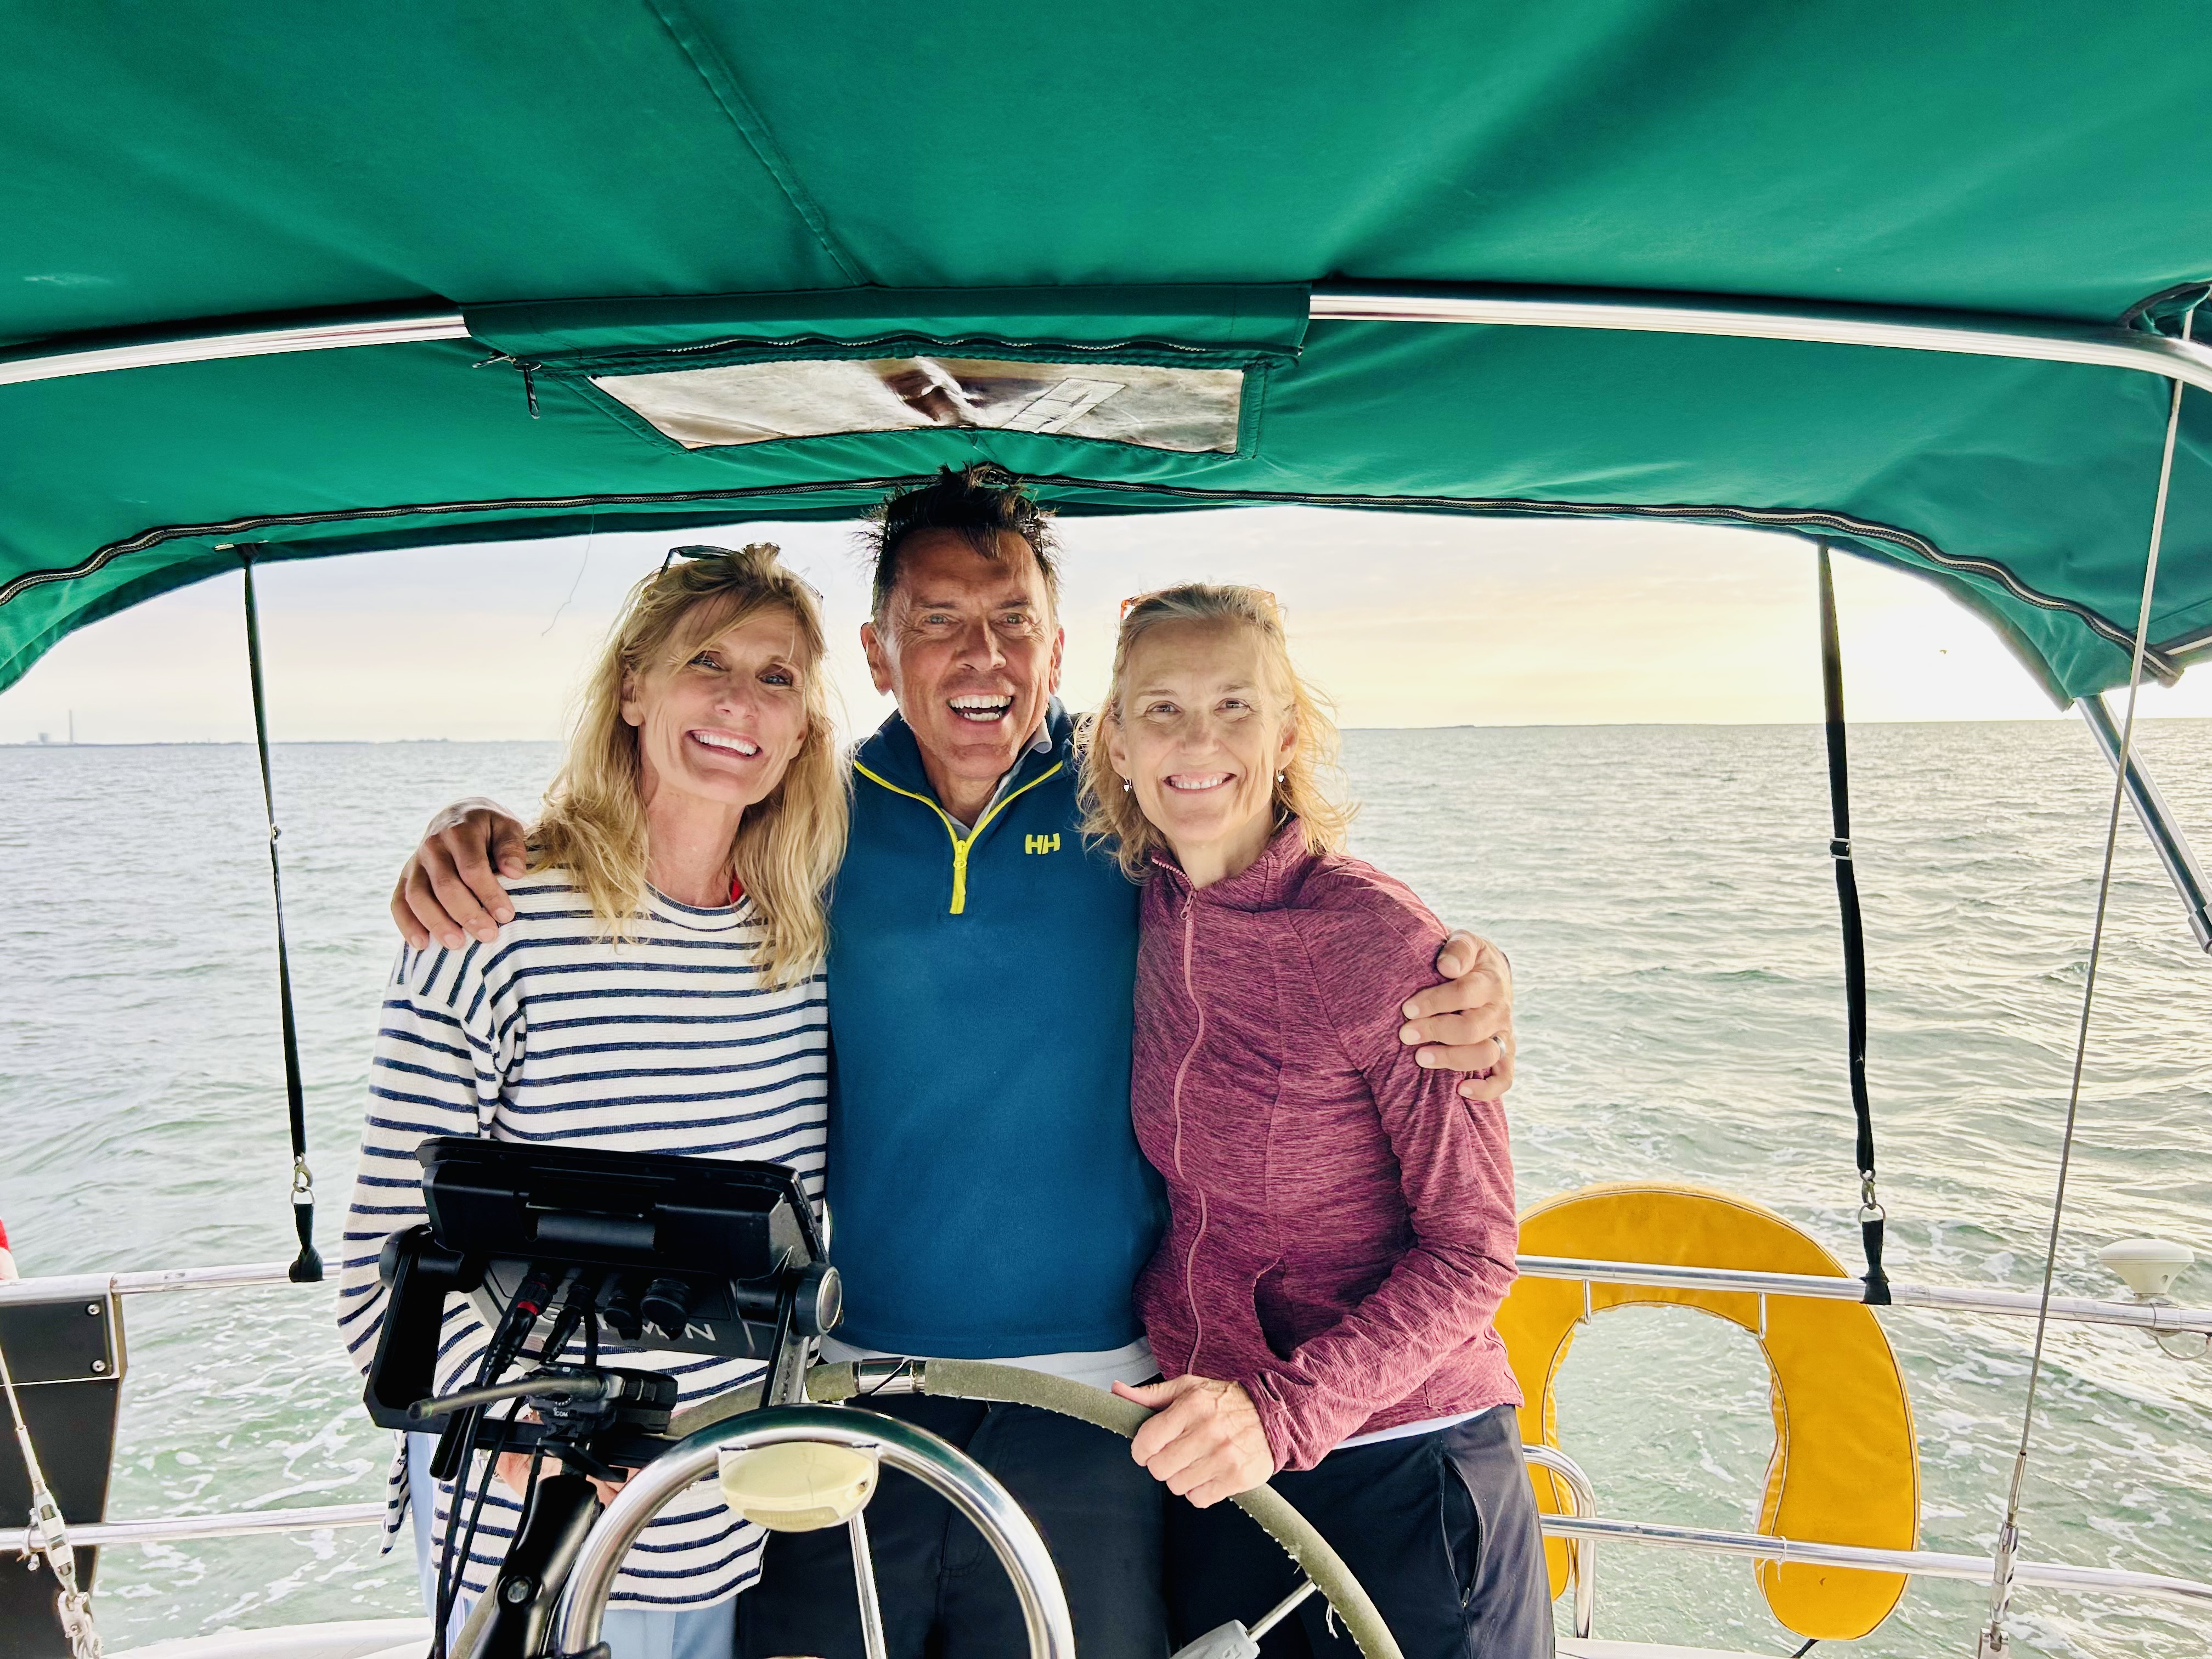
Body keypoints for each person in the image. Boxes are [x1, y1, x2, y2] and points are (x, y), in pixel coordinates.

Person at [387, 467, 1519, 1659]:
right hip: (846, 1383)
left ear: (1058, 646)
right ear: (878, 653)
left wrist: (1465, 977)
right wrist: (483, 833)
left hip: (1099, 1397)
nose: (980, 657)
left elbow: (1286, 894)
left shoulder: (1129, 801)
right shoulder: (813, 811)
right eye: (936, 622)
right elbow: (669, 835)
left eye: (1012, 623)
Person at [337, 544, 847, 1659]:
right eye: (704, 661)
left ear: (805, 728)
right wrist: (512, 1434)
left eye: (777, 678)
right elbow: (382, 1256)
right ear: (631, 689)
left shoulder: (803, 948)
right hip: (518, 1520)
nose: (737, 701)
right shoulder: (490, 920)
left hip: (713, 1512)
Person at [1084, 584, 1551, 1657]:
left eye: (1236, 707)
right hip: (1217, 1462)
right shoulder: (1140, 902)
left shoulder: (1381, 943)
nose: (1199, 741)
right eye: (1162, 709)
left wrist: (1282, 1417)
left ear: (1287, 733)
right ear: (1115, 741)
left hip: (1403, 1466)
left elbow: (1476, 1249)